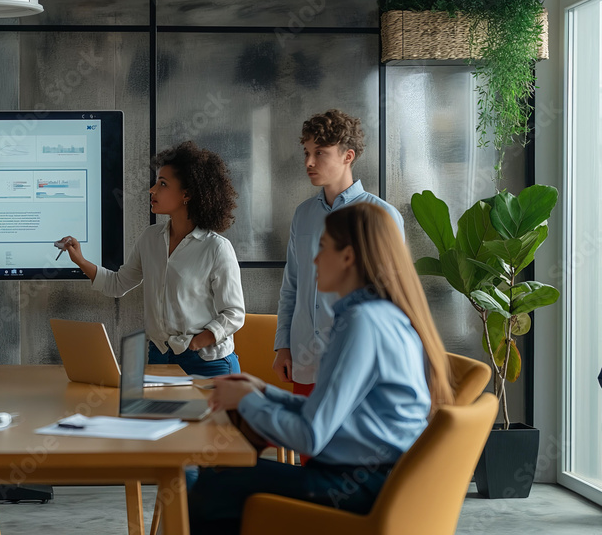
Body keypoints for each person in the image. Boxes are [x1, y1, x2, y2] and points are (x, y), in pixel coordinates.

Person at [189, 203, 454, 534]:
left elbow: (311, 436)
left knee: (214, 488)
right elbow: (327, 411)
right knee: (223, 482)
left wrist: (246, 402)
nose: (314, 260)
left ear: (347, 257)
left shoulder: (362, 324)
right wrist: (260, 392)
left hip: (358, 487)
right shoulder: (385, 316)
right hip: (379, 480)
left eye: (323, 247)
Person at [58, 141, 244, 377]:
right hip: (160, 355)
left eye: (163, 184)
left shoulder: (217, 248)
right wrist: (81, 261)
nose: (152, 190)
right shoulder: (150, 239)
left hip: (207, 361)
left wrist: (197, 343)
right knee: (158, 414)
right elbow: (118, 284)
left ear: (186, 194)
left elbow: (234, 313)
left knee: (207, 416)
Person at [274, 109, 405, 403]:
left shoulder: (381, 217)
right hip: (304, 360)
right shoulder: (302, 215)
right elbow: (292, 285)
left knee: (347, 447)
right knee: (308, 444)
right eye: (307, 152)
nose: (308, 162)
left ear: (348, 156)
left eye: (319, 152)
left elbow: (392, 297)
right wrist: (283, 345)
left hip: (357, 362)